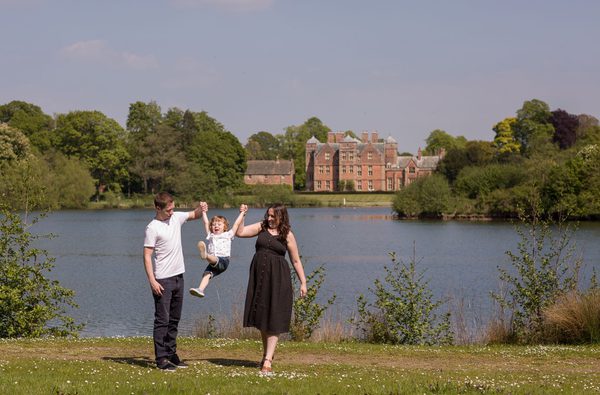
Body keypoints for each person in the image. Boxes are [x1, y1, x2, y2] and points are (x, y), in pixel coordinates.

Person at [235, 203, 307, 375]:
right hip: (259, 279)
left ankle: (267, 360)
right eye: (268, 215)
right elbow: (240, 232)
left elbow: (296, 261)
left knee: (274, 318)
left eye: (273, 216)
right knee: (261, 319)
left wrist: (303, 282)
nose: (269, 218)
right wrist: (242, 215)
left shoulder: (287, 235)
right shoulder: (261, 227)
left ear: (281, 217)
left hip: (278, 279)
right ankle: (267, 354)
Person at [143, 191, 205, 371]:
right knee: (162, 320)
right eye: (168, 210)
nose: (171, 212)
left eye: (172, 208)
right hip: (162, 279)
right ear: (158, 208)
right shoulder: (152, 228)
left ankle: (171, 354)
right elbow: (147, 256)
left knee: (174, 319)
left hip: (179, 276)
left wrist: (201, 208)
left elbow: (194, 214)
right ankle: (161, 359)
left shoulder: (176, 217)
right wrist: (152, 281)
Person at [189, 204, 246, 298]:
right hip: (213, 263)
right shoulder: (210, 235)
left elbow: (236, 224)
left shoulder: (228, 234)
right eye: (214, 224)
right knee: (207, 274)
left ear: (225, 227)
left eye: (219, 224)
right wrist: (203, 212)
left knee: (214, 259)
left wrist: (242, 212)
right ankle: (200, 289)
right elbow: (206, 223)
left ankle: (206, 255)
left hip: (223, 261)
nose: (216, 226)